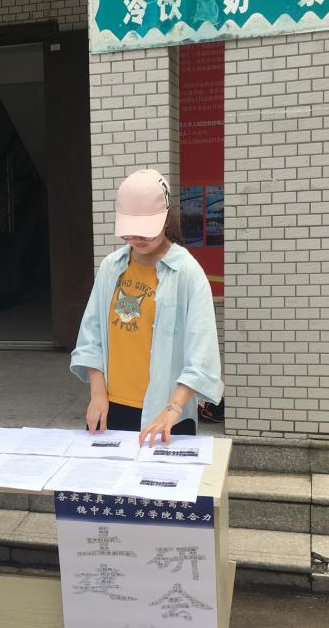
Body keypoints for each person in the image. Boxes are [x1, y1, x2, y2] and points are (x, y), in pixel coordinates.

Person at [70, 168, 223, 447]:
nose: (138, 239)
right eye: (130, 232)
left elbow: (202, 353)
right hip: (112, 407)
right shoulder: (112, 267)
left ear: (165, 218)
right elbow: (91, 337)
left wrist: (173, 408)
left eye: (146, 231)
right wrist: (97, 394)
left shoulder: (186, 272)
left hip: (168, 413)